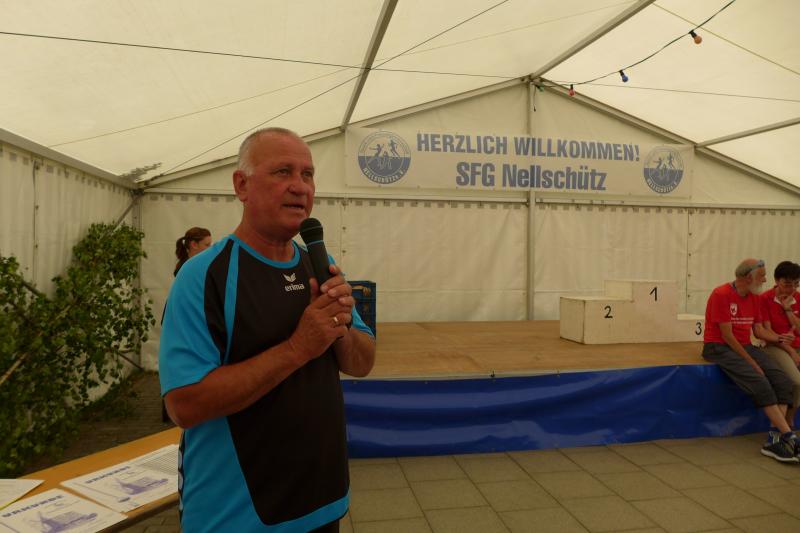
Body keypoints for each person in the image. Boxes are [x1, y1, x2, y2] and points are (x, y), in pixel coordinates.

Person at [159, 127, 376, 532]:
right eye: (282, 172)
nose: (300, 186)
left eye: (307, 174)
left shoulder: (319, 262)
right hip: (236, 518)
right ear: (241, 185)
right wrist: (299, 347)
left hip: (325, 503)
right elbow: (184, 405)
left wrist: (339, 328)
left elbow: (362, 363)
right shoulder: (202, 276)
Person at [702, 258, 799, 463]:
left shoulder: (754, 297)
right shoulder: (721, 294)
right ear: (748, 277)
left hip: (744, 345)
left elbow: (758, 330)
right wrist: (752, 363)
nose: (765, 280)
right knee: (760, 381)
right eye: (762, 276)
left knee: (783, 381)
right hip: (719, 346)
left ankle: (774, 439)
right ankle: (790, 437)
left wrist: (780, 339)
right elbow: (728, 337)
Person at [759, 261, 800, 428]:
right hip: (775, 346)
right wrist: (791, 352)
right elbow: (768, 333)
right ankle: (787, 422)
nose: (792, 289)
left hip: (796, 344)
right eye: (787, 284)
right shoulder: (764, 299)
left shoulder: (798, 298)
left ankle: (787, 421)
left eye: (796, 284)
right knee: (796, 381)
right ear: (776, 281)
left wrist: (788, 309)